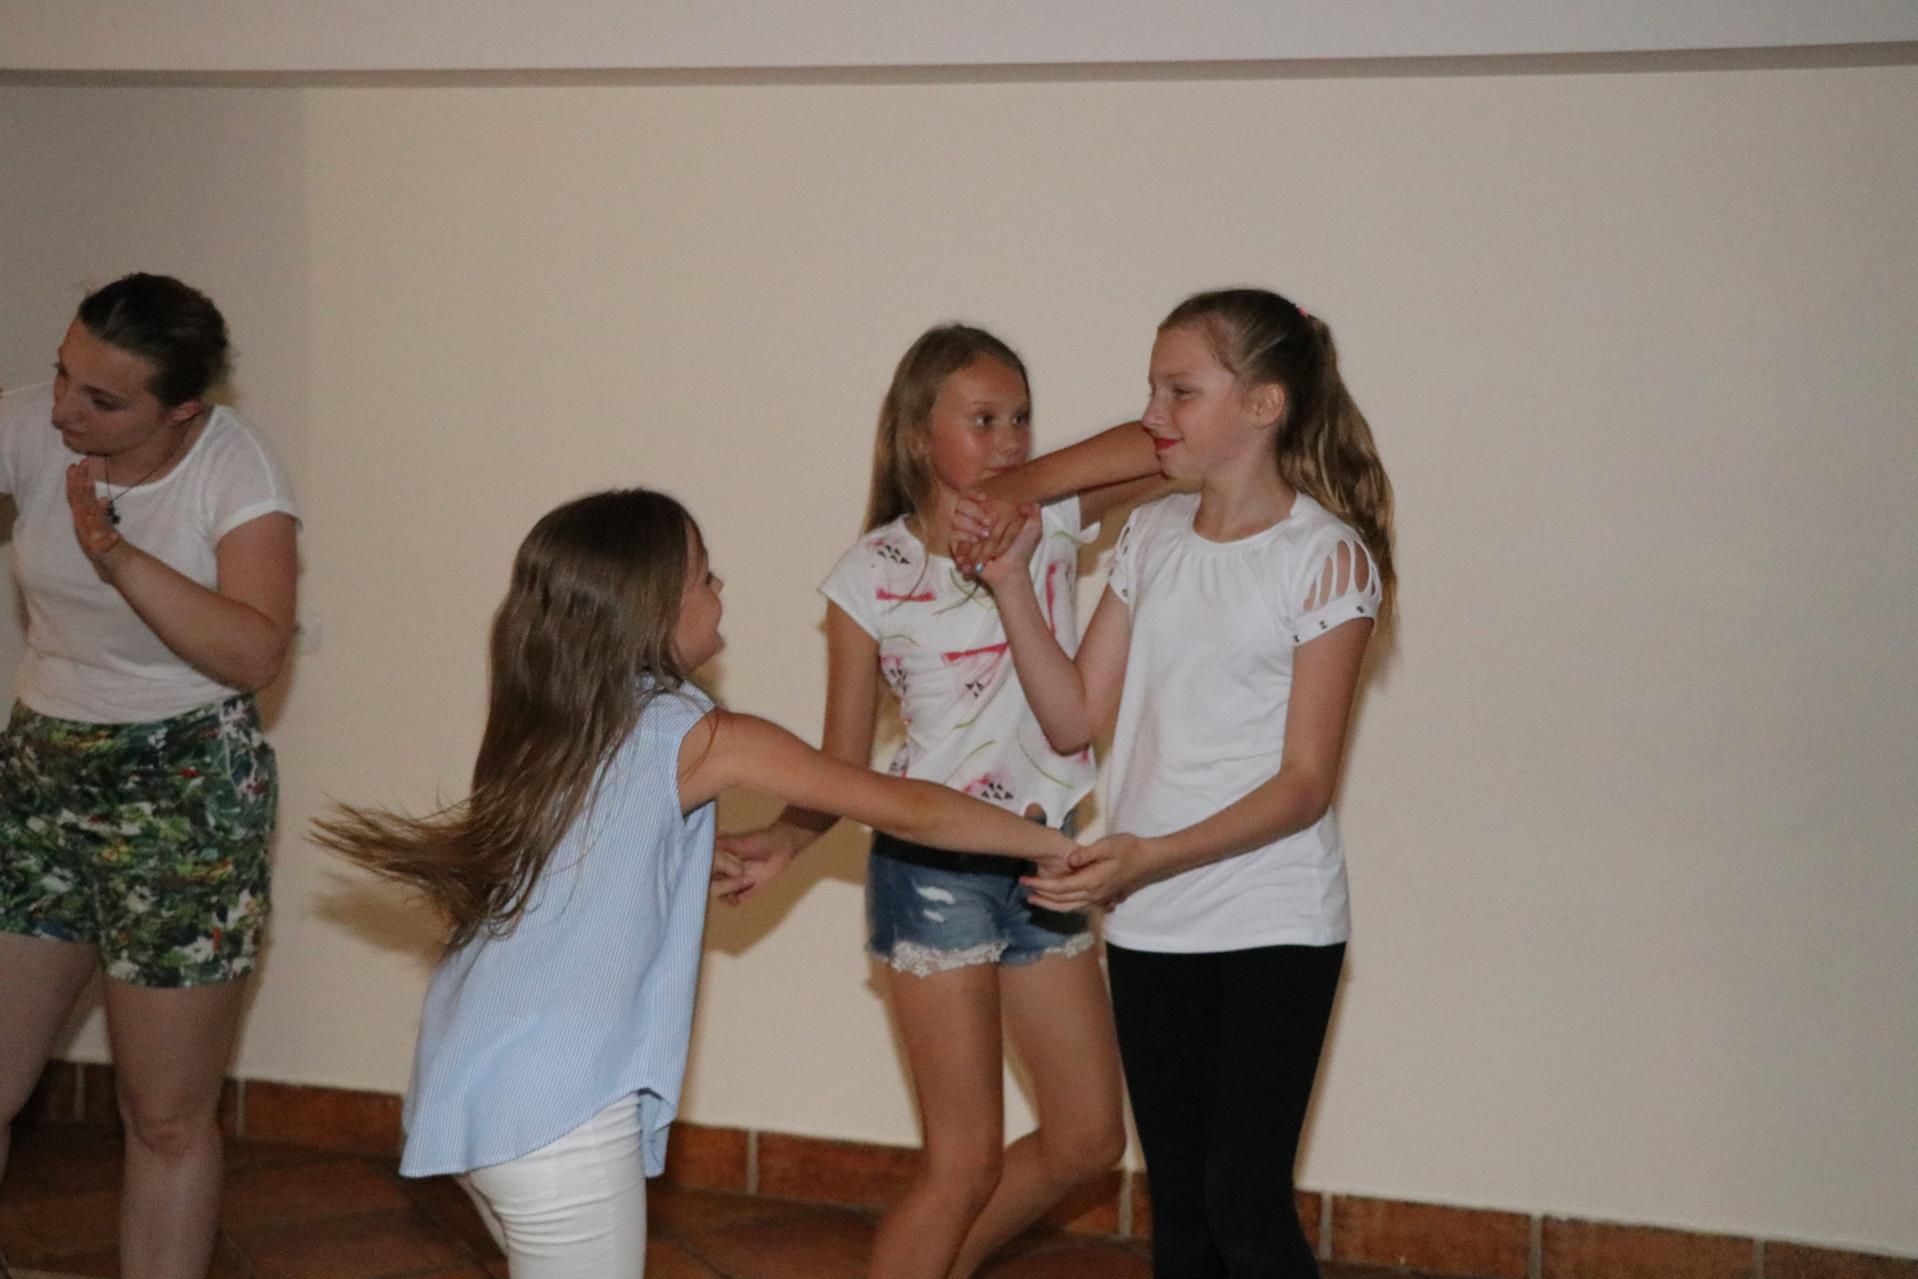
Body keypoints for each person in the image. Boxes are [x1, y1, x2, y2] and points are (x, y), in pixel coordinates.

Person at [316, 487, 1080, 1278]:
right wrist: (1047, 843)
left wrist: (673, 858)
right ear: (653, 608)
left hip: (473, 1083)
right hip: (559, 1114)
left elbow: (584, 850)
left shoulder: (554, 713)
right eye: (704, 576)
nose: (721, 587)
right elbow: (906, 806)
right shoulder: (692, 735)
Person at [714, 324, 1159, 1279]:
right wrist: (787, 838)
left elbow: (1157, 445)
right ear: (920, 434)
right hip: (931, 877)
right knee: (963, 1163)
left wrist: (1023, 489)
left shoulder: (1051, 519)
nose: (1010, 439)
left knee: (1088, 1137)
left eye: (1021, 418)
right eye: (984, 420)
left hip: (1048, 864)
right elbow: (842, 764)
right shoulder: (868, 575)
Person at [974, 288, 1395, 1279]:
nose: (1151, 415)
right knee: (1182, 1217)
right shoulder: (1152, 535)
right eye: (1152, 389)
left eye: (1180, 391)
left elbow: (1303, 784)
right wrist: (1011, 584)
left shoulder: (1325, 559)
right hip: (1153, 919)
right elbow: (1074, 714)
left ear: (1264, 405)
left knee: (1241, 1202)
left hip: (1272, 917)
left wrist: (1150, 855)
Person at [0, 273, 299, 1278]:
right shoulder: (34, 424)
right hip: (40, 772)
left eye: (101, 400)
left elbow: (254, 653)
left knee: (165, 1115)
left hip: (185, 792)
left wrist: (116, 556)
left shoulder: (236, 472)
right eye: (61, 374)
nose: (63, 411)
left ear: (182, 409)